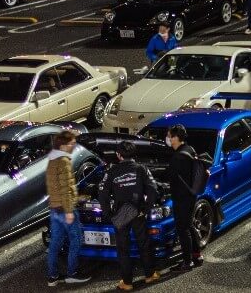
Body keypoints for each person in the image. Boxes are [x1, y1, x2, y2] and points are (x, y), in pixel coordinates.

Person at [98, 141, 159, 291]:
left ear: (119, 155)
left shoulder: (111, 171)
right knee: (143, 244)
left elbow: (102, 193)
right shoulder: (141, 169)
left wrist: (109, 213)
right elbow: (153, 189)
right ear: (134, 154)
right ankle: (150, 275)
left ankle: (127, 282)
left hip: (121, 212)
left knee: (123, 248)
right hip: (137, 209)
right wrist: (145, 208)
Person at [45, 129, 90, 287]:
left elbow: (54, 187)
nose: (73, 145)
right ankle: (72, 274)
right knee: (76, 240)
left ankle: (52, 277)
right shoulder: (63, 161)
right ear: (64, 145)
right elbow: (65, 188)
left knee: (55, 243)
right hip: (65, 209)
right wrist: (70, 210)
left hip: (54, 209)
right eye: (72, 143)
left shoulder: (51, 160)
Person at [165, 124, 203, 270]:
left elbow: (170, 176)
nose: (168, 139)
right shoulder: (190, 149)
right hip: (191, 195)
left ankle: (187, 262)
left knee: (182, 229)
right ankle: (196, 255)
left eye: (169, 136)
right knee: (189, 225)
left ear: (175, 138)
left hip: (181, 198)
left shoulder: (178, 157)